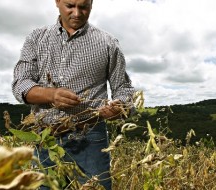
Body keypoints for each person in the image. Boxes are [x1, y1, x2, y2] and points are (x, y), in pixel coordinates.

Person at [12, 0, 135, 189]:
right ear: (58, 2)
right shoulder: (36, 38)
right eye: (70, 5)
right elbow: (21, 84)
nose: (77, 13)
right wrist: (51, 95)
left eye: (84, 7)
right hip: (46, 138)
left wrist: (120, 108)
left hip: (91, 138)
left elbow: (123, 89)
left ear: (92, 4)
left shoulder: (108, 43)